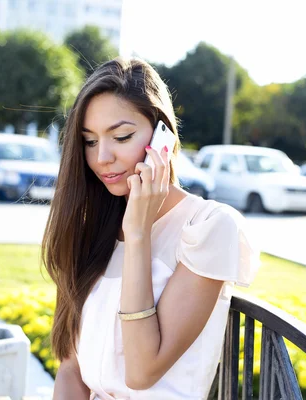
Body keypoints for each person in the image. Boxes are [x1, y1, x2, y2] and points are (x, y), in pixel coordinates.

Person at [42, 57, 260, 400]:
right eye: (90, 141)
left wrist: (139, 234)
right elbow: (71, 368)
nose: (102, 158)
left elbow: (142, 371)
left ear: (162, 136)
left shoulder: (208, 228)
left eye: (121, 136)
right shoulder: (94, 227)